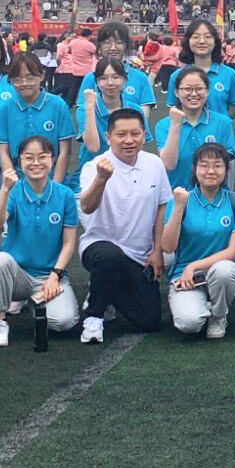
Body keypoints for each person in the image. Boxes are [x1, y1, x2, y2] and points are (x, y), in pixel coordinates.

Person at [77, 108, 167, 342]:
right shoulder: (95, 167)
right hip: (100, 246)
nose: (129, 140)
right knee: (110, 257)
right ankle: (94, 316)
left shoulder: (154, 164)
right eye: (121, 134)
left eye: (135, 134)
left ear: (144, 135)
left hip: (138, 255)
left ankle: (105, 289)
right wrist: (101, 179)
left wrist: (157, 250)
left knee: (149, 320)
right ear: (108, 138)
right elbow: (87, 206)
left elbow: (161, 207)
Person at [0, 135, 82, 347]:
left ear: (52, 160)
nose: (36, 163)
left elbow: (68, 244)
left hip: (49, 275)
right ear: (19, 162)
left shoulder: (65, 195)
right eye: (29, 157)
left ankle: (34, 301)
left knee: (64, 322)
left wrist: (55, 276)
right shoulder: (13, 191)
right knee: (0, 260)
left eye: (42, 157)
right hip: (17, 274)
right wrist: (4, 189)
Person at [158, 142, 235, 339]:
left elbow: (233, 252)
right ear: (194, 169)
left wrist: (193, 266)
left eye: (217, 165)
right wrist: (178, 207)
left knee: (225, 270)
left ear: (226, 170)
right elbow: (168, 246)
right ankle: (202, 304)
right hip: (185, 276)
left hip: (218, 270)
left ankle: (218, 315)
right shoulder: (179, 200)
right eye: (204, 165)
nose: (210, 171)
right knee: (189, 324)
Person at [0, 53, 76, 184]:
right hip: (19, 175)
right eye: (17, 79)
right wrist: (13, 186)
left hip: (52, 174)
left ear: (42, 76)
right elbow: (3, 151)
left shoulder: (58, 105)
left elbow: (65, 152)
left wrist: (56, 187)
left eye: (30, 78)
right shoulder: (5, 108)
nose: (24, 83)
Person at [154, 66, 235, 190]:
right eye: (187, 89)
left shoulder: (223, 123)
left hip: (212, 198)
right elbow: (169, 165)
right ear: (176, 92)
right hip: (175, 197)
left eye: (199, 88)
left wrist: (226, 197)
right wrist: (175, 125)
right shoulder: (163, 126)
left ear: (207, 91)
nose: (193, 94)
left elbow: (228, 169)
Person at [175, 20, 235, 116]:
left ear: (215, 42)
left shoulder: (230, 74)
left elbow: (232, 111)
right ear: (188, 42)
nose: (202, 41)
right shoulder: (176, 76)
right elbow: (174, 112)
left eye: (207, 37)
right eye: (196, 37)